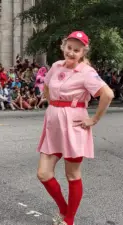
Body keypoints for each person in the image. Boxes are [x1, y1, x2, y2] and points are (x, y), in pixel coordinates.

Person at [36, 31, 114, 225]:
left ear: (83, 52)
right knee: (43, 173)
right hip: (53, 124)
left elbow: (108, 94)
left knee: (72, 175)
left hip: (74, 125)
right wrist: (48, 99)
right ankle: (63, 209)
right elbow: (46, 85)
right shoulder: (55, 66)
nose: (71, 53)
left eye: (76, 50)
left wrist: (94, 119)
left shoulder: (86, 72)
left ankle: (69, 219)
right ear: (63, 46)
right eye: (69, 48)